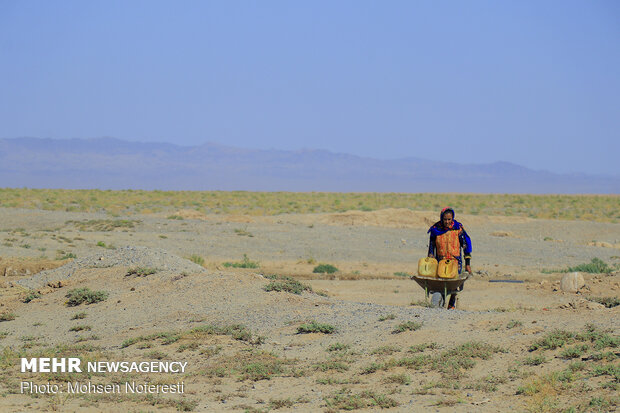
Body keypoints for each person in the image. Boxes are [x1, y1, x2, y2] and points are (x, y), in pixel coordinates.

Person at [427, 207, 472, 309]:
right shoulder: (435, 230)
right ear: (441, 218)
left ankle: (451, 304)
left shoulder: (458, 229)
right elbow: (431, 248)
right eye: (445, 219)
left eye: (449, 219)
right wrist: (430, 261)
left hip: (455, 262)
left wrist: (468, 264)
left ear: (452, 218)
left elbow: (466, 246)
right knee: (440, 285)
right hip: (441, 262)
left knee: (454, 286)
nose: (447, 222)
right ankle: (439, 303)